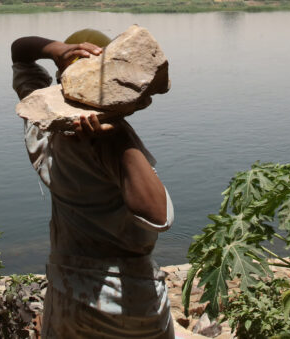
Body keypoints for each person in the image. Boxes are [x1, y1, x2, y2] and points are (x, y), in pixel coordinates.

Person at [11, 29, 175, 339]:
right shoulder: (117, 144)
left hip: (69, 292)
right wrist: (116, 137)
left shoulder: (43, 130)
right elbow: (159, 216)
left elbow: (20, 50)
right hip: (131, 300)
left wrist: (58, 49)